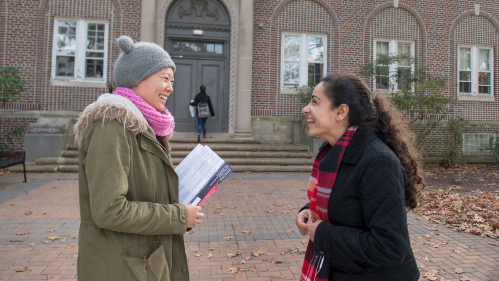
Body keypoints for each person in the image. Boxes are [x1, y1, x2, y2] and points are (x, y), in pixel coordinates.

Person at [74, 36, 204, 281]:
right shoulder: (111, 126)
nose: (170, 87)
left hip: (144, 265)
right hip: (120, 268)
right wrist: (178, 216)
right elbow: (109, 211)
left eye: (172, 80)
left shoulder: (144, 127)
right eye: (164, 78)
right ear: (136, 78)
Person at [295, 73, 424, 281]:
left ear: (341, 112)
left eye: (315, 102)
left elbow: (390, 247)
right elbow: (344, 203)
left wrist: (323, 234)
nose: (306, 109)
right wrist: (310, 211)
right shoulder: (332, 153)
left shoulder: (378, 162)